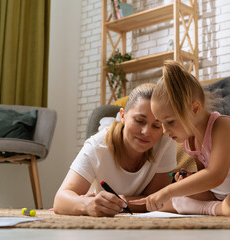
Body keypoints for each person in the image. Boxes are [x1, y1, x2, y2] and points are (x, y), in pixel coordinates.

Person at [130, 61, 230, 217]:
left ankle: (211, 209)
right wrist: (190, 179)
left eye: (171, 122)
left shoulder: (223, 127)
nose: (165, 130)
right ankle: (222, 207)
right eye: (160, 123)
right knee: (171, 199)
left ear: (195, 109)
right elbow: (206, 178)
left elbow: (215, 175)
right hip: (221, 195)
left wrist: (168, 190)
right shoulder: (191, 140)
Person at [53, 83, 177, 217]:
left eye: (156, 126)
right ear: (123, 116)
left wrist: (121, 203)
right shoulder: (97, 146)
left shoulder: (166, 143)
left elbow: (155, 200)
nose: (146, 132)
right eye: (139, 121)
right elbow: (60, 200)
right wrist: (88, 204)